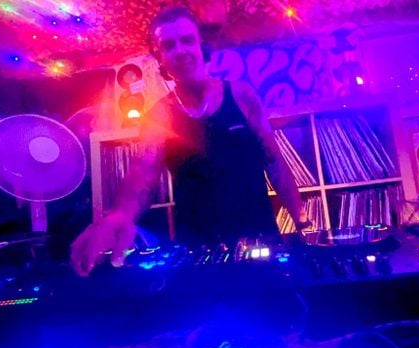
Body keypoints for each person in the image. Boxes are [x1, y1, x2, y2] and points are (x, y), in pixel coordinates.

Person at [71, 6, 308, 277]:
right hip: (198, 254)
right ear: (160, 58)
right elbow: (142, 173)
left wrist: (302, 224)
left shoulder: (241, 95)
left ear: (201, 46)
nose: (180, 50)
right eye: (169, 45)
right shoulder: (159, 114)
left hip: (259, 243)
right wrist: (121, 214)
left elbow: (274, 162)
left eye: (187, 40)